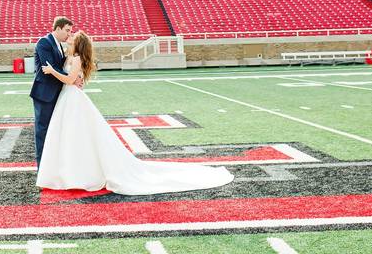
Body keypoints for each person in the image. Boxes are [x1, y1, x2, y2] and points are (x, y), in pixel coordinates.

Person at [36, 30, 234, 195]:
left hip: (73, 99)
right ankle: (68, 171)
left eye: (73, 36)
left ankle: (77, 173)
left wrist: (52, 71)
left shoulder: (77, 58)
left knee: (77, 136)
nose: (70, 36)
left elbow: (70, 80)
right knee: (70, 137)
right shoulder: (70, 56)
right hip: (68, 99)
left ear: (77, 43)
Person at [30, 16, 82, 169]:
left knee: (54, 131)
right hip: (44, 94)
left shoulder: (59, 45)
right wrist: (71, 79)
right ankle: (42, 170)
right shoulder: (44, 42)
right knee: (43, 132)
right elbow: (49, 67)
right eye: (67, 30)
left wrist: (74, 76)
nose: (69, 34)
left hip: (57, 94)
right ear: (57, 28)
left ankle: (53, 166)